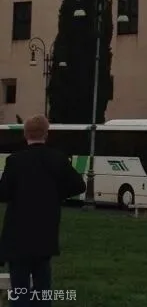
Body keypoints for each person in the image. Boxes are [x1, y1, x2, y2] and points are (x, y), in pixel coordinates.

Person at [0, 114, 86, 304]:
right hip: (46, 232)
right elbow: (79, 186)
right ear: (46, 134)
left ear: (25, 134)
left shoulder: (15, 161)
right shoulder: (58, 158)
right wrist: (55, 194)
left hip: (18, 235)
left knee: (19, 290)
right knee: (43, 286)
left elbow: (3, 193)